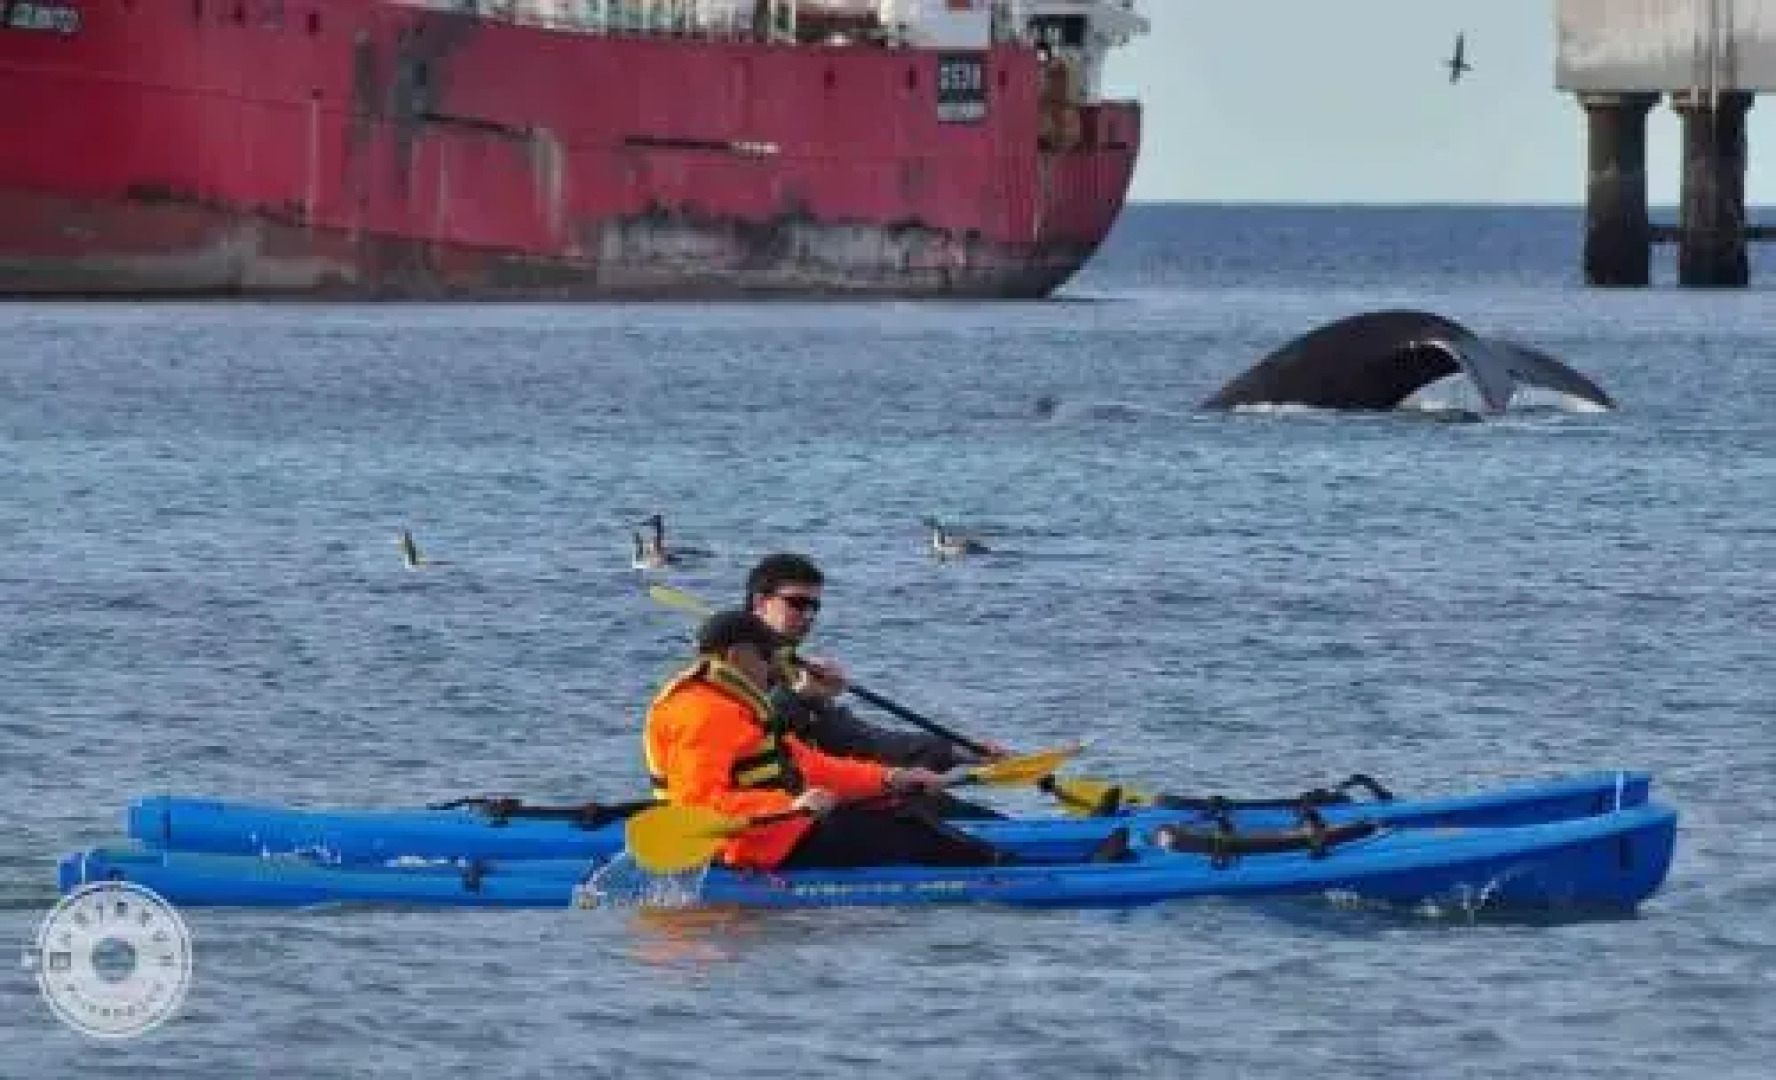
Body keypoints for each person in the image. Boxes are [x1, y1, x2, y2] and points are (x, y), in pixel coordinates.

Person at [642, 608, 1035, 871]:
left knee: (902, 806)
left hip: (776, 830)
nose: (776, 669)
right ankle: (1007, 873)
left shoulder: (733, 705)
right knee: (902, 834)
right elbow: (701, 805)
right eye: (768, 657)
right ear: (735, 656)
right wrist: (792, 806)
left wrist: (891, 778)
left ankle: (1000, 862)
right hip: (746, 846)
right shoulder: (700, 714)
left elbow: (811, 766)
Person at [743, 553, 1010, 820]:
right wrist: (799, 697)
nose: (809, 616)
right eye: (798, 604)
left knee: (962, 812)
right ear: (760, 602)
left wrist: (952, 750)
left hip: (825, 796)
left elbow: (861, 741)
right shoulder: (734, 668)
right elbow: (749, 736)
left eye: (815, 607)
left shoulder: (793, 670)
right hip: (773, 814)